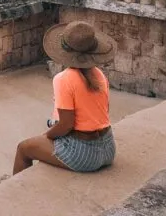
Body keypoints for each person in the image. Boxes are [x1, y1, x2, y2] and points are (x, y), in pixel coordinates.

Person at [12, 20, 117, 175]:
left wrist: (47, 136)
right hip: (108, 148)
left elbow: (66, 125)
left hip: (85, 154)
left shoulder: (64, 78)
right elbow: (102, 111)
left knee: (24, 148)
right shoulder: (99, 74)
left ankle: (16, 190)